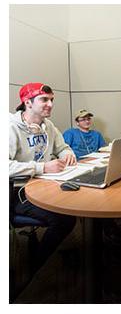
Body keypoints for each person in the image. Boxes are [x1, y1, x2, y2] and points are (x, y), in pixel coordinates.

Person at [9, 82, 78, 275]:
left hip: (45, 184)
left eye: (52, 100)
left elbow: (63, 148)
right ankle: (36, 266)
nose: (50, 104)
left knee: (79, 201)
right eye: (44, 99)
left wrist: (67, 154)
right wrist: (43, 167)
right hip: (19, 192)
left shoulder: (48, 126)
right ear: (27, 102)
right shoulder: (10, 128)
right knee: (65, 220)